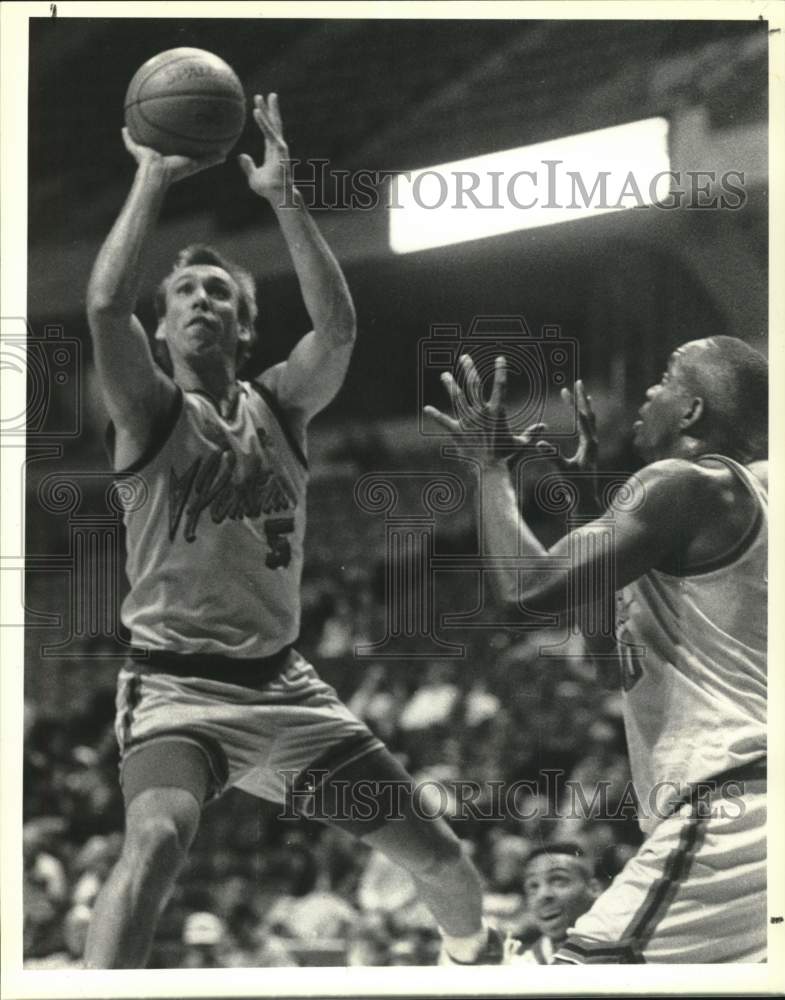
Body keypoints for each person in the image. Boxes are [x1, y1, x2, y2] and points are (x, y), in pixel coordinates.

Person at [84, 93, 502, 969]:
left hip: (286, 688)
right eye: (183, 293)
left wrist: (284, 198)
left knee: (445, 867)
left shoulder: (281, 404)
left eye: (217, 292)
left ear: (244, 324)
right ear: (159, 329)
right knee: (157, 844)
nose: (199, 300)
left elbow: (338, 328)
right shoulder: (150, 411)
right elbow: (101, 306)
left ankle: (477, 964)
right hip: (176, 690)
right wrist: (152, 180)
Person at [426, 339, 767, 963]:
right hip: (746, 812)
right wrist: (588, 506)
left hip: (734, 811)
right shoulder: (736, 505)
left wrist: (487, 463)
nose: (647, 393)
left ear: (692, 412)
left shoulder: (681, 485)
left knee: (575, 970)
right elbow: (610, 663)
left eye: (664, 378)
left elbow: (523, 589)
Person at [509, 843, 599, 965]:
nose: (542, 895)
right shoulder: (521, 964)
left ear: (594, 889)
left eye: (558, 880)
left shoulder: (619, 950)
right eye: (533, 886)